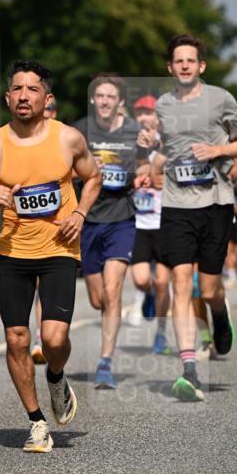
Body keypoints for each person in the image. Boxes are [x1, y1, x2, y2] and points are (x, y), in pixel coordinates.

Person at [0, 60, 101, 452]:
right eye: (17, 89)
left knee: (54, 340)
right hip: (15, 252)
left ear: (47, 98)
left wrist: (79, 213)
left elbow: (93, 178)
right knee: (17, 338)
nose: (24, 95)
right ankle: (37, 422)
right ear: (8, 97)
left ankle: (56, 377)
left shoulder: (67, 139)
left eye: (32, 89)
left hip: (58, 248)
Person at [153, 34, 237, 402]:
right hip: (177, 204)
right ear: (170, 67)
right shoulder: (163, 105)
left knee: (208, 288)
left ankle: (219, 314)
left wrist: (218, 149)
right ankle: (189, 369)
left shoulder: (220, 98)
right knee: (182, 284)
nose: (183, 65)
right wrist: (153, 163)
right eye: (177, 60)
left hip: (215, 202)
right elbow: (167, 148)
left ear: (201, 66)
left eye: (190, 60)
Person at [74, 74, 149, 389]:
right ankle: (109, 321)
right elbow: (64, 171)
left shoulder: (134, 132)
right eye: (99, 96)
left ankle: (105, 362)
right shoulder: (79, 131)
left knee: (114, 289)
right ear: (93, 100)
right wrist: (88, 174)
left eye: (111, 97)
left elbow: (145, 165)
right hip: (89, 219)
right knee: (98, 298)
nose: (105, 101)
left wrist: (142, 175)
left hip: (121, 217)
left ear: (120, 102)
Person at [128, 95, 171, 355]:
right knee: (142, 279)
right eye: (139, 113)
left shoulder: (169, 143)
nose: (144, 117)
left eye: (148, 112)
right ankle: (149, 297)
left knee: (164, 282)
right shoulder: (133, 145)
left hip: (166, 222)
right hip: (141, 223)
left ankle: (161, 334)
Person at [31, 93, 58, 364]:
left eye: (52, 108)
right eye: (45, 108)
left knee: (52, 286)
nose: (47, 111)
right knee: (38, 284)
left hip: (58, 226)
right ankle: (41, 337)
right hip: (29, 227)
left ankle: (53, 335)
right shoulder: (20, 138)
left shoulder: (65, 139)